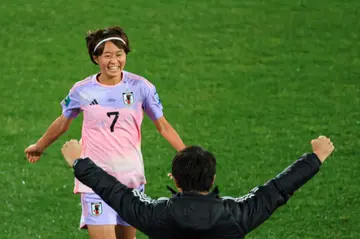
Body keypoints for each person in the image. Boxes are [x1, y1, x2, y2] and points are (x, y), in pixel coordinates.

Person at [24, 26, 186, 239]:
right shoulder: (82, 90)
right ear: (95, 58)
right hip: (94, 180)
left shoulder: (141, 87)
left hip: (130, 179)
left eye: (119, 54)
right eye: (107, 55)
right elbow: (62, 122)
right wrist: (39, 146)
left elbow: (163, 126)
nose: (114, 61)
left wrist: (189, 159)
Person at [61, 136, 335, 239]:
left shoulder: (156, 215)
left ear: (174, 179)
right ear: (213, 179)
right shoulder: (236, 215)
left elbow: (114, 191)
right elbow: (277, 189)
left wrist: (79, 161)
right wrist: (315, 157)